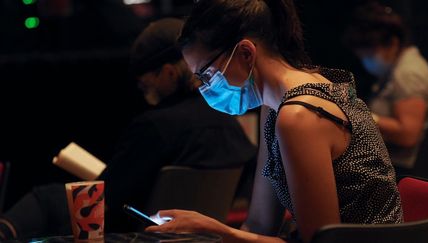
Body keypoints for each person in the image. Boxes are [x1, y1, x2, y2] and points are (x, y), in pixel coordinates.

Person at [144, 1, 403, 242]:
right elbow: (259, 224)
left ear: (246, 52)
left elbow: (319, 242)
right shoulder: (278, 106)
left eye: (206, 74)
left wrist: (214, 230)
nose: (205, 87)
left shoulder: (300, 116)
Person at [0, 17, 257, 240]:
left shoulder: (156, 126)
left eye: (145, 79)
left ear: (168, 73)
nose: (140, 86)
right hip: (203, 236)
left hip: (139, 232)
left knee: (47, 198)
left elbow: (108, 198)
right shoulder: (227, 121)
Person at [342, 2, 428, 175]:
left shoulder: (408, 74)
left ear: (393, 43)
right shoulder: (397, 67)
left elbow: (408, 134)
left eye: (370, 54)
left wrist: (362, 115)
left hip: (402, 170)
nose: (366, 60)